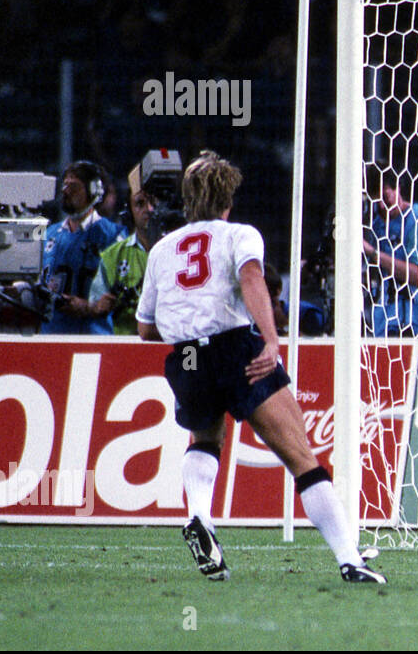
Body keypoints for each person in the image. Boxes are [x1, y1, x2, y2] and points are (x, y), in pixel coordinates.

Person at [135, 150, 384, 584]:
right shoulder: (239, 235)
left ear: (189, 200)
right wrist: (271, 339)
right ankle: (350, 561)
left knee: (206, 440)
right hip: (235, 349)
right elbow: (252, 279)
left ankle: (199, 517)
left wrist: (189, 328)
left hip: (186, 358)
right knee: (302, 458)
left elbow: (144, 328)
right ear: (228, 200)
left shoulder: (161, 250)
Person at [363, 167, 418, 338]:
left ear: (398, 189)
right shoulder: (377, 225)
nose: (382, 205)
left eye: (386, 197)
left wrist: (372, 253)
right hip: (390, 322)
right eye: (376, 201)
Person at [39, 160, 124, 334]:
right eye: (65, 185)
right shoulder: (49, 233)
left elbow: (121, 290)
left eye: (74, 187)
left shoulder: (112, 235)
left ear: (94, 192)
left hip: (93, 335)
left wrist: (90, 307)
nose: (66, 191)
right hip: (51, 333)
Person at [85, 164, 154, 335]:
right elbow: (93, 307)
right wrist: (99, 306)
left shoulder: (181, 251)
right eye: (140, 203)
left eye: (154, 202)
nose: (149, 209)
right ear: (129, 211)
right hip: (125, 348)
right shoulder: (113, 256)